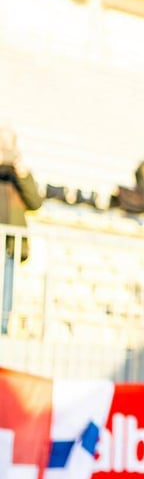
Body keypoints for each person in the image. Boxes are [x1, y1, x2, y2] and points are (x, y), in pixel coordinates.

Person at [0, 127, 43, 335]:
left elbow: (35, 203)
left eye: (8, 144)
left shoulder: (21, 174)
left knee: (6, 289)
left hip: (10, 243)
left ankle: (3, 328)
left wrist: (23, 176)